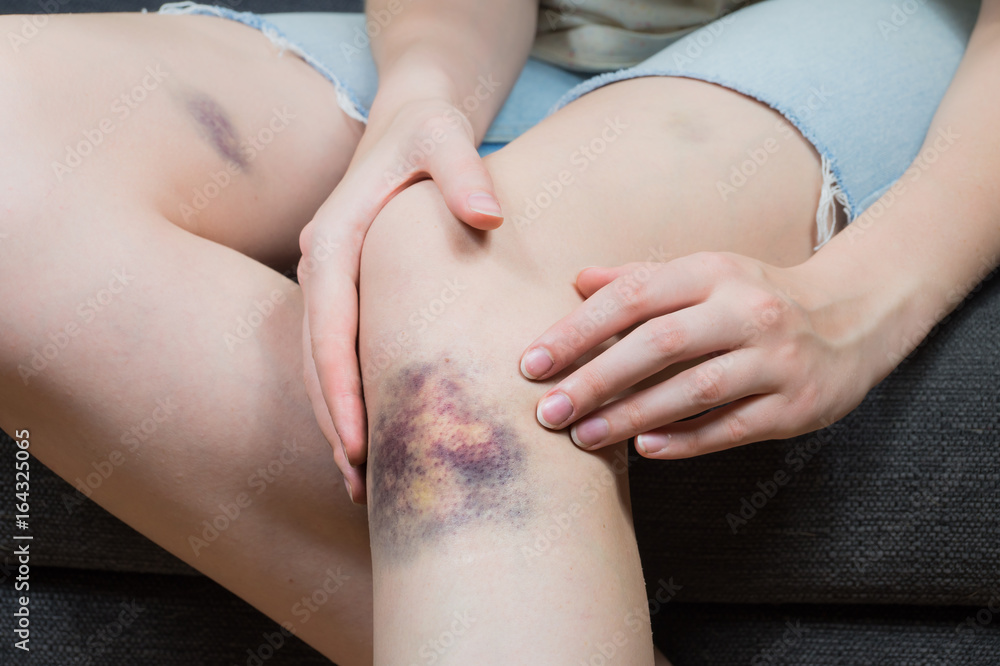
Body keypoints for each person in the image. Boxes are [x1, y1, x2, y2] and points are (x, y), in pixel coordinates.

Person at [1, 0, 996, 663]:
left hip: (884, 30)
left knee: (447, 262)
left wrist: (867, 301)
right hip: (508, 36)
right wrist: (423, 91)